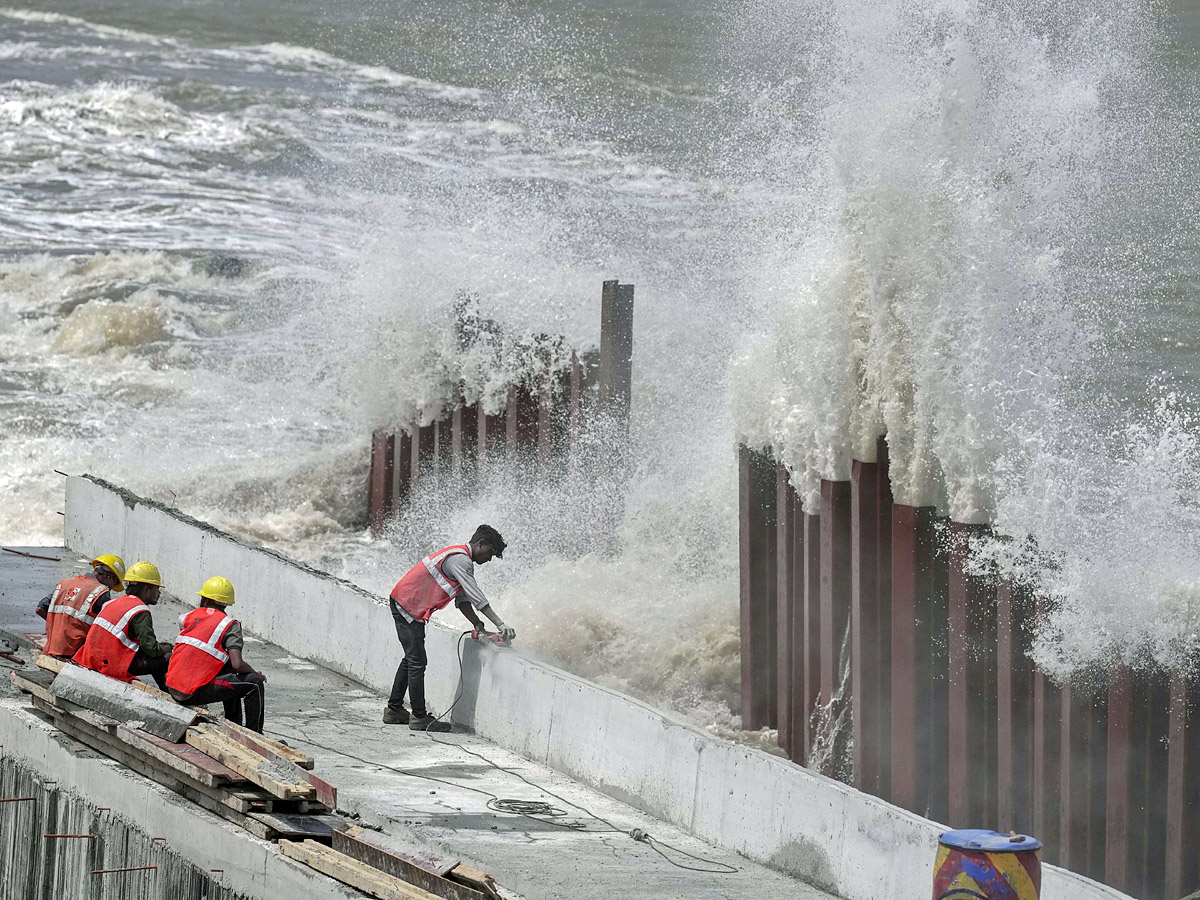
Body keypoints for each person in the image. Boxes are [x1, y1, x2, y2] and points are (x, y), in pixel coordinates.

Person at [385, 524, 516, 732]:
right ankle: (419, 717)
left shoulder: (459, 558)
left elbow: (463, 601)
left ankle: (394, 710)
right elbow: (476, 596)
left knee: (412, 659)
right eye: (490, 552)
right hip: (407, 604)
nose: (489, 559)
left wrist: (477, 623)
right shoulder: (461, 560)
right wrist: (500, 624)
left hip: (407, 603)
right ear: (480, 544)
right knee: (417, 662)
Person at [166, 577, 266, 733]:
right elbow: (237, 664)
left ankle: (235, 725)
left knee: (231, 674)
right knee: (254, 683)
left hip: (173, 685)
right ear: (226, 603)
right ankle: (256, 735)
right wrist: (255, 674)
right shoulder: (229, 624)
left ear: (205, 600)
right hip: (190, 692)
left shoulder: (190, 616)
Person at [73, 561, 172, 690]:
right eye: (156, 589)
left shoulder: (112, 602)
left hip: (90, 659)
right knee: (166, 657)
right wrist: (166, 648)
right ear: (146, 589)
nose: (159, 594)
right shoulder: (140, 611)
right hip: (109, 665)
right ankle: (171, 695)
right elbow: (151, 649)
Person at [36, 554, 126, 658]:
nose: (111, 588)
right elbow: (104, 628)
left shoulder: (65, 583)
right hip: (76, 652)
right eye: (114, 584)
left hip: (52, 647)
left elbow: (40, 609)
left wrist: (57, 627)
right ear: (110, 577)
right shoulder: (101, 592)